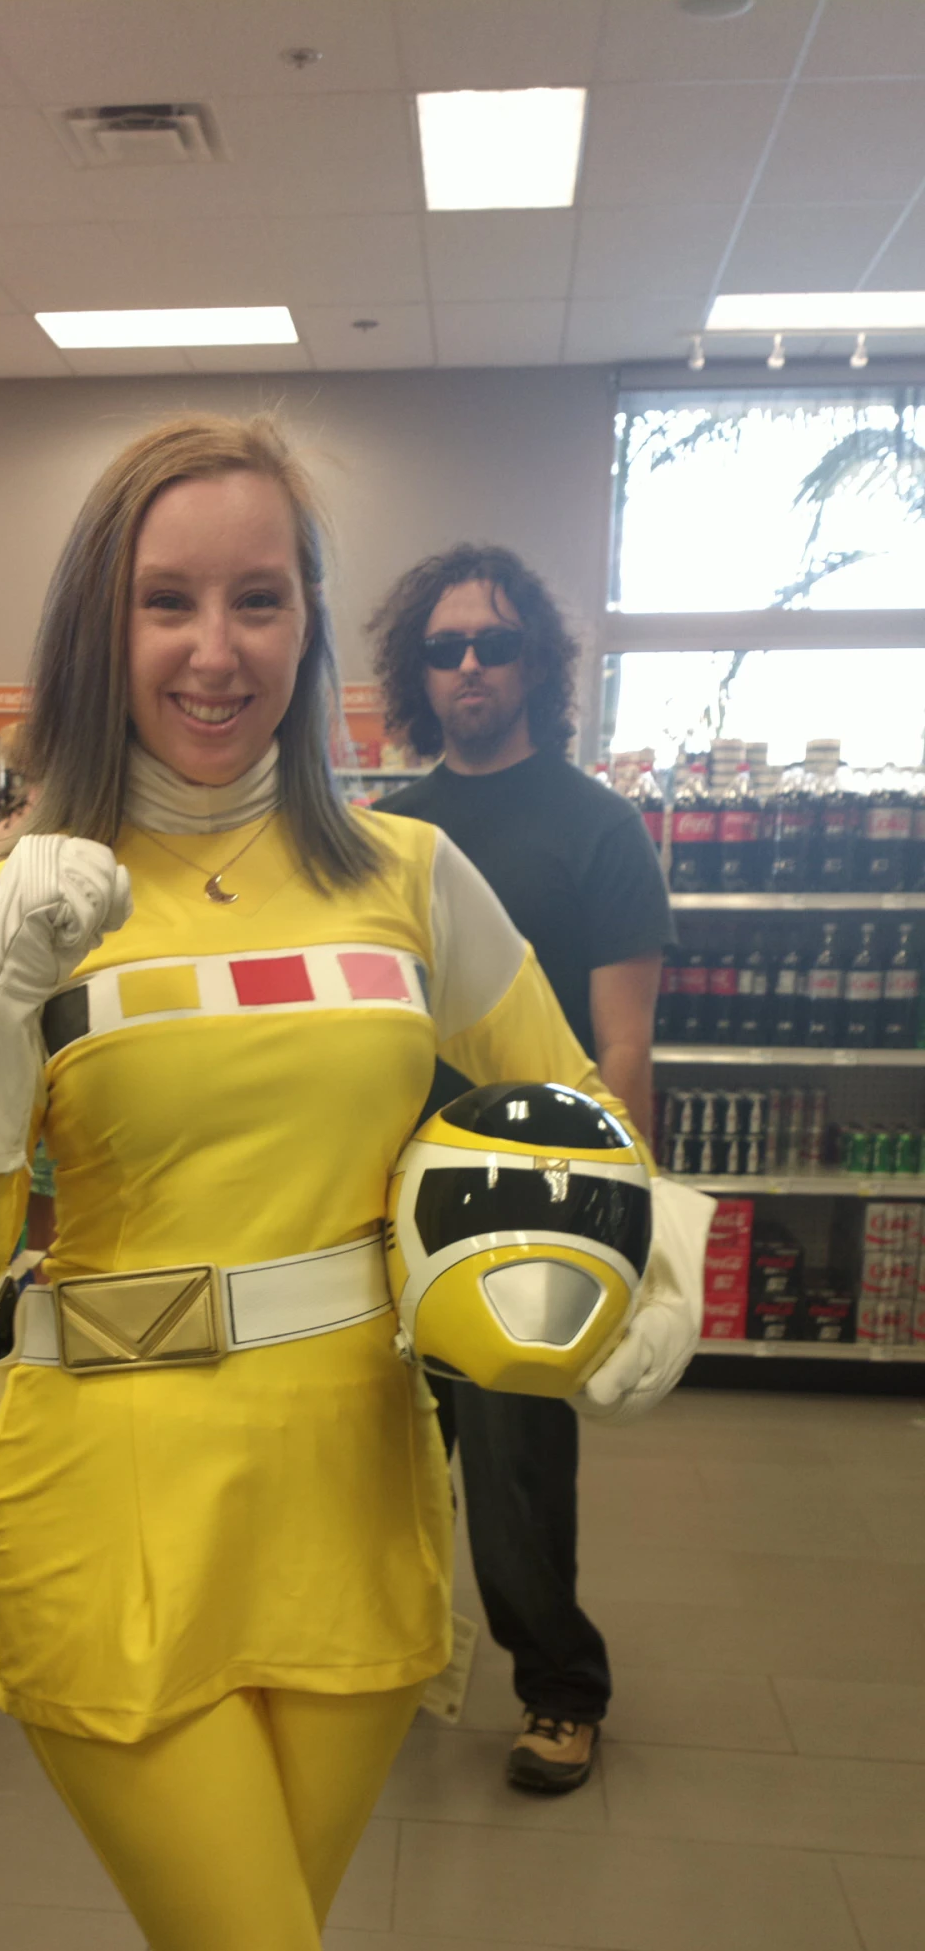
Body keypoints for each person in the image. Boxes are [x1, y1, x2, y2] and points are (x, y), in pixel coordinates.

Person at [0, 419, 693, 1951]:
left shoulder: (415, 877)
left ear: (319, 629)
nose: (215, 645)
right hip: (104, 1504)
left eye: (260, 598)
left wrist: (634, 1256)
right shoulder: (26, 894)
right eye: (170, 599)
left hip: (347, 1491)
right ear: (102, 623)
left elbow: (561, 1102)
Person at [369, 545, 673, 1796]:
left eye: (494, 643)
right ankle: (381, 1671)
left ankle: (561, 1689)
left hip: (533, 1218)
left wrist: (631, 1246)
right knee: (378, 1457)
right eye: (445, 648)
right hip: (388, 1196)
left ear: (536, 663)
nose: (471, 667)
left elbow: (622, 1050)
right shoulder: (384, 833)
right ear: (417, 671)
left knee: (512, 1466)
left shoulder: (598, 827)